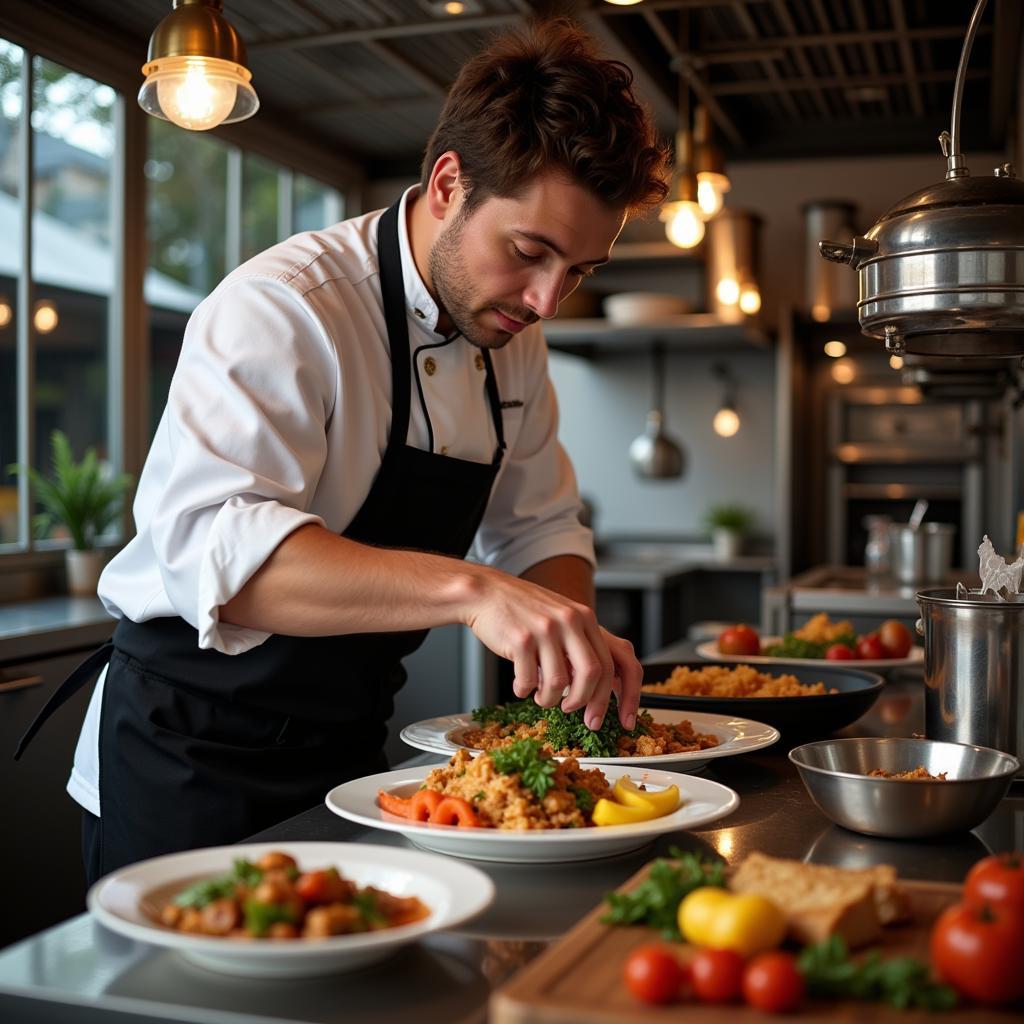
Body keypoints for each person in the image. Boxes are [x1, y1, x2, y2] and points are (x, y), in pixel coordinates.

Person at [16, 18, 671, 883]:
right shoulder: (288, 307)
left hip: (346, 754)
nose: (549, 298)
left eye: (579, 271)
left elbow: (540, 527)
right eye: (529, 252)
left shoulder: (513, 334)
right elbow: (225, 556)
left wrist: (572, 647)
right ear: (448, 183)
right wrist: (474, 591)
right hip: (187, 756)